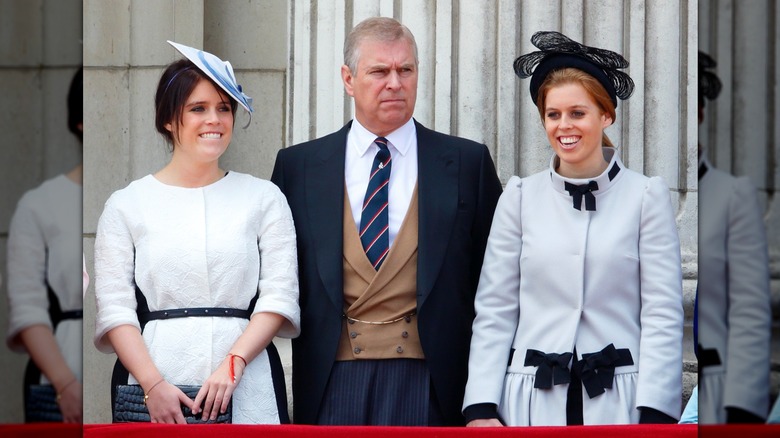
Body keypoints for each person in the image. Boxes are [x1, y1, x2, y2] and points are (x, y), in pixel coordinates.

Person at [271, 16, 502, 426]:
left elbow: (496, 287)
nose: (395, 82)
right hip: (330, 381)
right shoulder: (299, 167)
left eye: (405, 70)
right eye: (380, 71)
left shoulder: (467, 163)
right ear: (348, 78)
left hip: (434, 382)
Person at [462, 31, 684, 426]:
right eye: (553, 114)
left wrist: (655, 411)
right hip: (530, 404)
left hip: (622, 406)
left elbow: (662, 312)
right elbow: (495, 308)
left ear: (605, 115)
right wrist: (480, 407)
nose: (564, 126)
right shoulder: (518, 197)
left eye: (577, 113)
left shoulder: (645, 196)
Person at [93, 41, 300, 424]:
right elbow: (115, 310)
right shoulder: (127, 204)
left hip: (247, 375)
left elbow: (278, 296)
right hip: (155, 376)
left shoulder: (264, 198)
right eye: (198, 109)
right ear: (169, 120)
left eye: (224, 108)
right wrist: (153, 385)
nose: (215, 120)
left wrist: (232, 366)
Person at [696, 50, 772, 424]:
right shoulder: (639, 194)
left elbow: (750, 308)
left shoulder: (732, 194)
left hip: (716, 392)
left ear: (700, 114)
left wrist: (741, 408)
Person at [5, 67, 83, 423]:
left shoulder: (142, 199)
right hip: (61, 369)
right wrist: (65, 384)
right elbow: (28, 308)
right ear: (79, 120)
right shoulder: (41, 204)